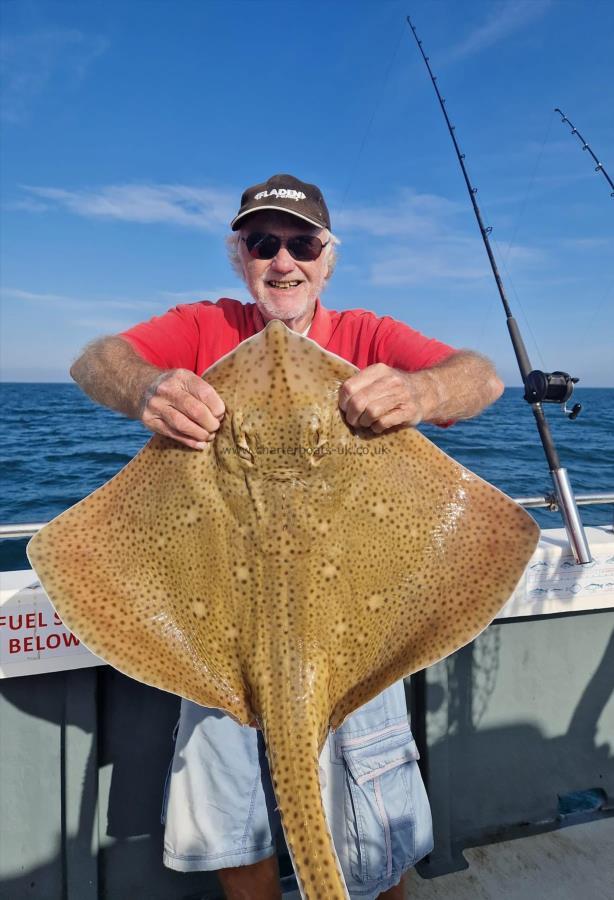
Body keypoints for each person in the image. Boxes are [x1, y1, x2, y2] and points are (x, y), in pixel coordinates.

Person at [71, 174, 503, 900]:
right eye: (262, 243)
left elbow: (482, 378)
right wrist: (145, 388)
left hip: (358, 625)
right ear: (240, 256)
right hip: (218, 629)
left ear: (328, 259)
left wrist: (421, 392)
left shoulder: (368, 335)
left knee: (375, 839)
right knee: (233, 827)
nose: (283, 260)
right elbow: (95, 360)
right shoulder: (208, 326)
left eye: (302, 243)